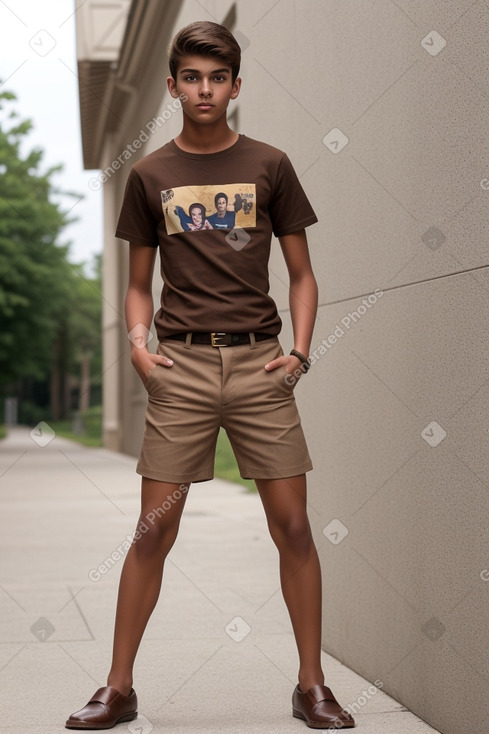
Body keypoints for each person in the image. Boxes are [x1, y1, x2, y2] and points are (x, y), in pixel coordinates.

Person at [65, 20, 355, 731]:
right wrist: (138, 345)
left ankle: (310, 685)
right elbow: (138, 284)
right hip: (182, 366)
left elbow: (302, 275)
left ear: (234, 86)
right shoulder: (149, 175)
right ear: (171, 86)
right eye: (191, 77)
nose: (204, 89)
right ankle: (118, 688)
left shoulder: (270, 164)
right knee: (150, 533)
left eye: (216, 78)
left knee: (292, 527)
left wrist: (300, 352)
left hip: (260, 364)